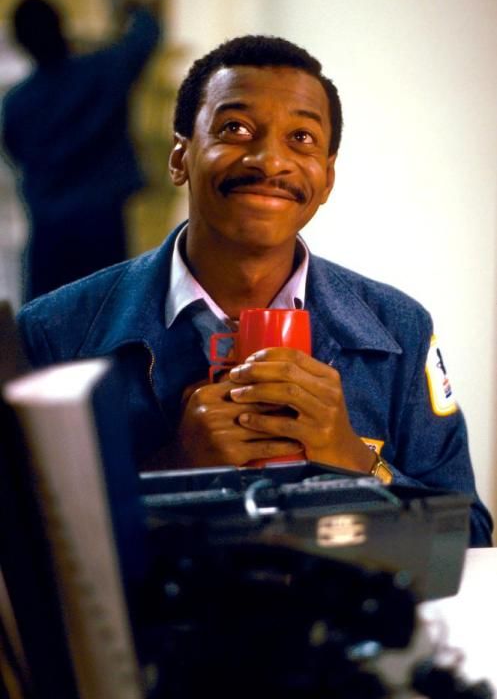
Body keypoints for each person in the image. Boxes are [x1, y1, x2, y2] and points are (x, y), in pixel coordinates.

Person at [16, 35, 493, 546]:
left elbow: (469, 538)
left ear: (326, 179)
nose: (270, 161)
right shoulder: (52, 336)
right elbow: (20, 558)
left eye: (302, 139)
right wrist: (171, 471)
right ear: (181, 157)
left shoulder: (400, 332)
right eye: (235, 128)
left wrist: (353, 461)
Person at [1, 0, 161, 301]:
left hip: (49, 231)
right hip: (102, 223)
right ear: (61, 25)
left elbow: (15, 153)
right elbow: (144, 40)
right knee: (108, 319)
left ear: (22, 44)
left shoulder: (18, 103)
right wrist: (137, 8)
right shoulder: (102, 71)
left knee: (47, 329)